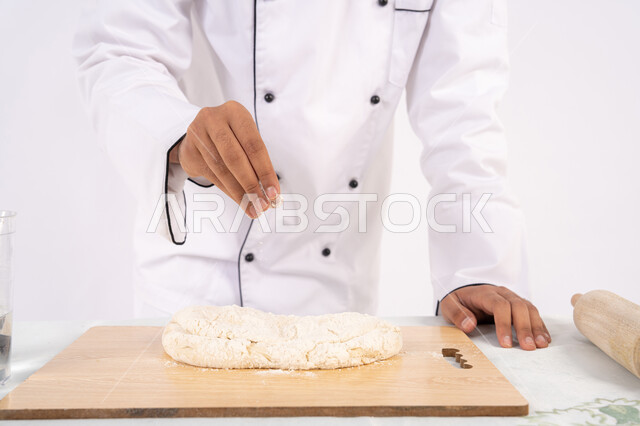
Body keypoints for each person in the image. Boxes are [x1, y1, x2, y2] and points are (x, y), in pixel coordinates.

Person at [73, 0, 551, 350]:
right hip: (196, 285)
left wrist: (475, 270)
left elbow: (464, 117)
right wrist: (178, 130)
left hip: (338, 300)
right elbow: (118, 54)